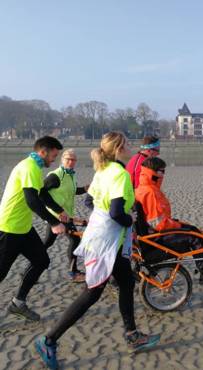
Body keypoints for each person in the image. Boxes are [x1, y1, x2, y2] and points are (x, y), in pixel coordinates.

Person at [35, 132, 160, 370]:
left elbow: (91, 201)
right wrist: (130, 219)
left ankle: (132, 335)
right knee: (92, 293)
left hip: (103, 235)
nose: (132, 145)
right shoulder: (120, 174)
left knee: (126, 282)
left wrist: (121, 214)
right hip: (106, 239)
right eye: (128, 142)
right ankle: (48, 340)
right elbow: (115, 213)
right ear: (120, 148)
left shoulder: (103, 170)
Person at [0, 136, 65, 321]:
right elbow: (32, 201)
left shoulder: (35, 167)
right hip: (9, 227)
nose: (54, 160)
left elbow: (42, 194)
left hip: (24, 228)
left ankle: (18, 303)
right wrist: (54, 223)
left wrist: (59, 212)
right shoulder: (29, 167)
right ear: (43, 151)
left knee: (41, 260)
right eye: (53, 155)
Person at [135, 157, 203, 285]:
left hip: (152, 233)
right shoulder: (150, 192)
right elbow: (158, 223)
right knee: (195, 238)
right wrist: (178, 225)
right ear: (154, 173)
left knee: (194, 231)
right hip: (155, 238)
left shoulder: (143, 188)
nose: (163, 175)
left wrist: (182, 225)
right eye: (162, 172)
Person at [40, 149, 89, 283]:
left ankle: (31, 266)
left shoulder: (71, 175)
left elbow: (71, 191)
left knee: (47, 243)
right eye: (68, 159)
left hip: (66, 216)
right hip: (57, 216)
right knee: (75, 240)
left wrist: (84, 189)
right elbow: (41, 193)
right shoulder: (56, 176)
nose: (71, 162)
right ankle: (73, 273)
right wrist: (57, 211)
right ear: (62, 159)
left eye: (74, 160)